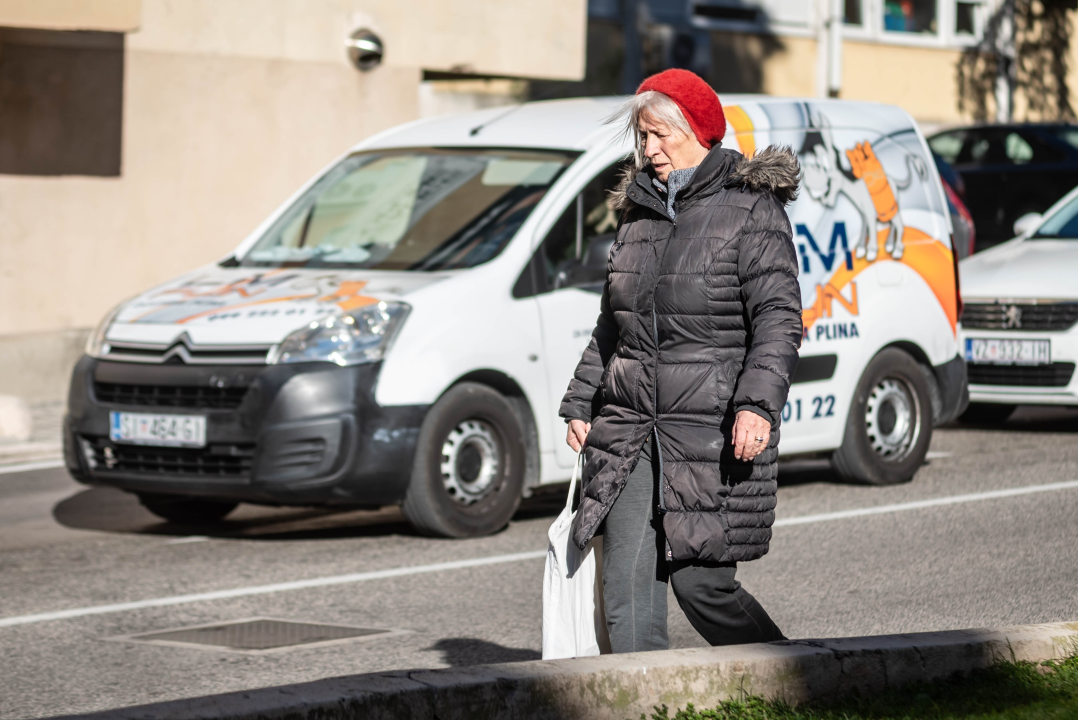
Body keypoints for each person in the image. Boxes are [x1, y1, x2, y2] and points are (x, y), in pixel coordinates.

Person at [560, 69, 802, 653]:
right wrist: (581, 399)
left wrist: (755, 406)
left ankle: (798, 685)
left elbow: (778, 318)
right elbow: (611, 324)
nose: (650, 150)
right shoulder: (637, 213)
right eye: (642, 137)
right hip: (630, 426)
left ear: (698, 130)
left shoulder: (750, 209)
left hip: (707, 429)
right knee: (626, 590)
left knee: (702, 586)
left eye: (661, 135)